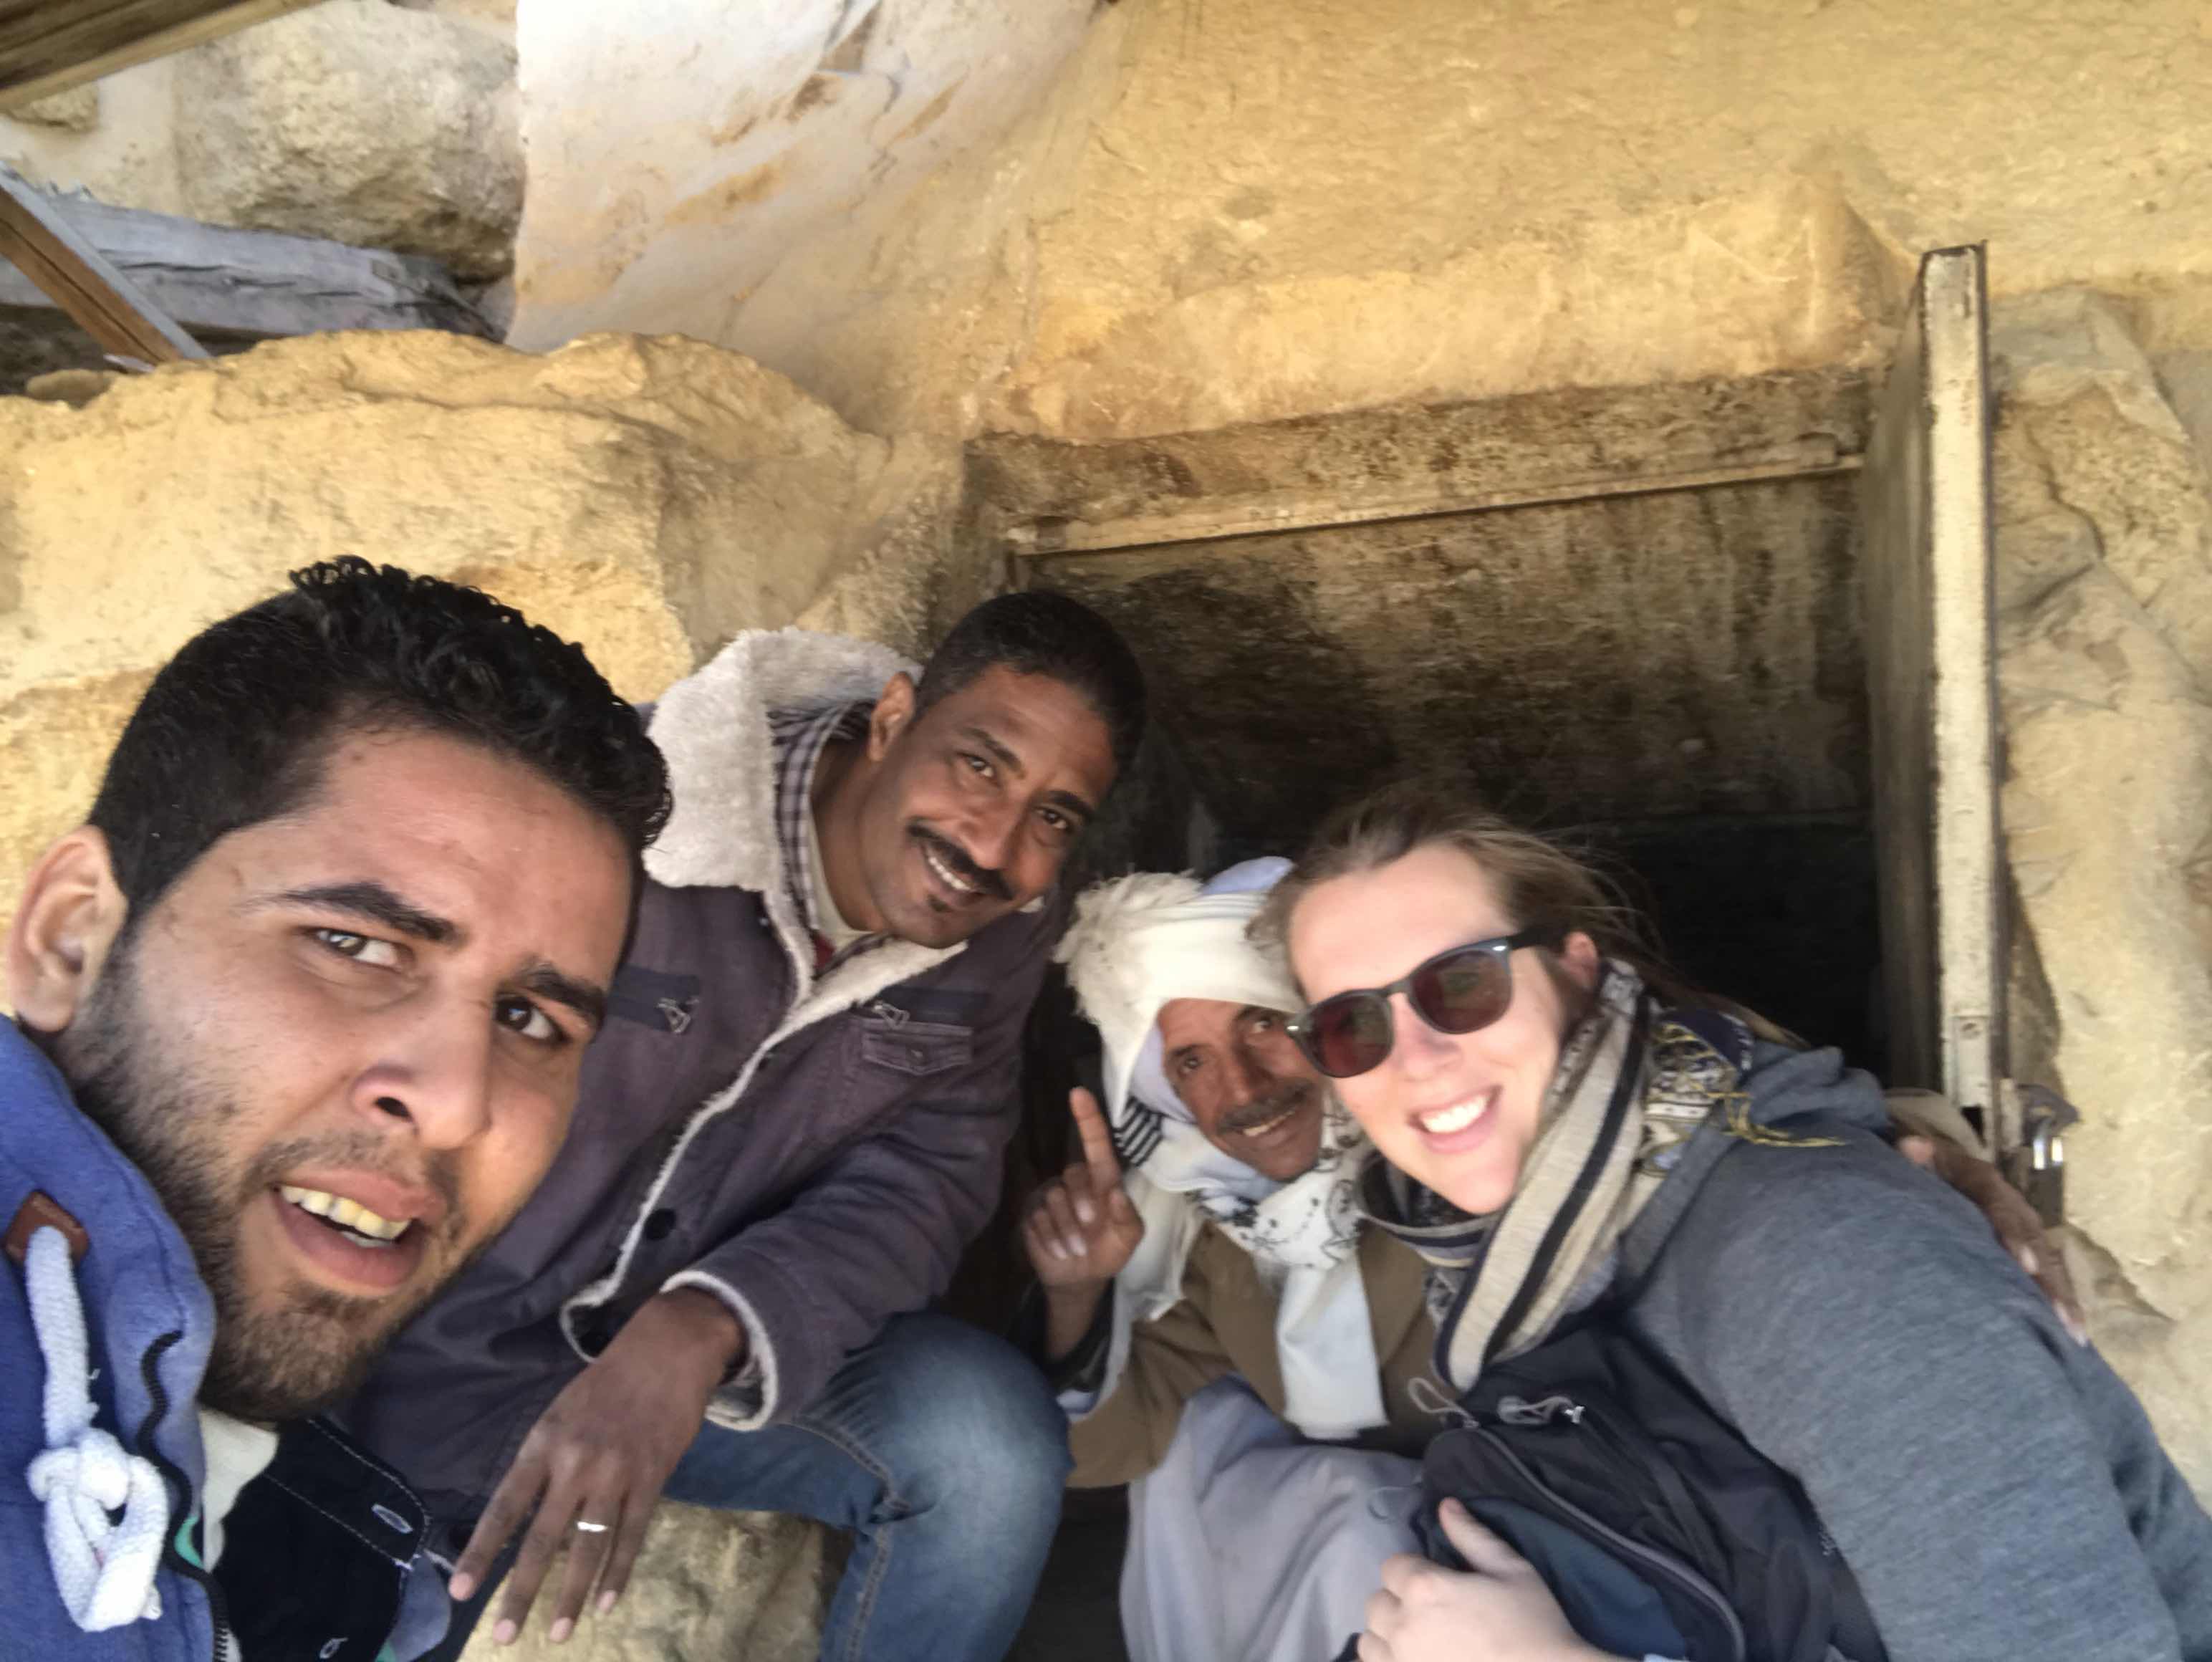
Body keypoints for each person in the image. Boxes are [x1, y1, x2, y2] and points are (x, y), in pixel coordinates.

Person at [344, 594, 1145, 1662]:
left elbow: (931, 1173)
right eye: (980, 765)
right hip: (442, 1351)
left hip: (701, 1374)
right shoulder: (624, 803)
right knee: (330, 1614)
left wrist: (706, 1322)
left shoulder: (1001, 937)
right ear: (893, 718)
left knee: (987, 1447)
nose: (994, 844)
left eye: (1054, 817)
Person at [1029, 857, 2079, 1662]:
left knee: (1362, 1528)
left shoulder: (1468, 1152)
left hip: (1595, 1553)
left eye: (1266, 1026)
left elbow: (1714, 1119)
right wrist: (1078, 1291)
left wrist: (1930, 1159)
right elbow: (1112, 1448)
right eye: (1191, 1064)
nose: (1242, 1090)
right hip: (1462, 1580)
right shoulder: (1223, 1235)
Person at [1256, 780, 2212, 1662]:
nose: (1416, 1060)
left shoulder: (1830, 1264)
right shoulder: (1514, 1262)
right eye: (1352, 1026)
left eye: (1462, 984)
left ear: (1577, 972)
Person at [2, 559, 670, 1660]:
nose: (455, 1106)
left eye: (532, 1019)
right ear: (68, 938)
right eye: (355, 945)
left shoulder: (341, 1564)